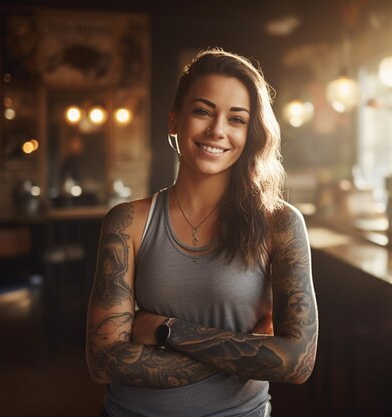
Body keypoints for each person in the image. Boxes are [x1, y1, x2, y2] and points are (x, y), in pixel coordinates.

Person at [86, 48, 318, 417]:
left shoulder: (279, 224)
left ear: (251, 132)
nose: (217, 130)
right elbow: (104, 361)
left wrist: (165, 330)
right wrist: (248, 348)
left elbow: (297, 362)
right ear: (175, 120)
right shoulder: (126, 222)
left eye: (237, 119)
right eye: (203, 111)